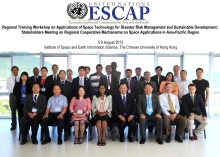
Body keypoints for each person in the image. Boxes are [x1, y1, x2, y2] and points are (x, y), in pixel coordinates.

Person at [6, 66, 20, 130]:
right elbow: (7, 87)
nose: (15, 71)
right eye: (13, 70)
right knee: (13, 111)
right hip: (12, 96)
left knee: (20, 111)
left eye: (16, 70)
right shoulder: (9, 79)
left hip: (20, 96)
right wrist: (13, 94)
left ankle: (21, 124)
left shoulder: (21, 78)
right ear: (12, 71)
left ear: (18, 70)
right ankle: (14, 124)